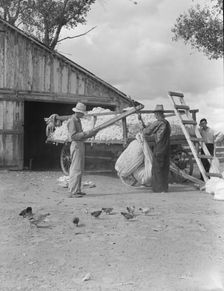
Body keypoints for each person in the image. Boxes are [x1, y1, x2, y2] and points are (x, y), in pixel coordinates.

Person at [67, 102, 96, 198]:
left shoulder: (78, 120)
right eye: (82, 113)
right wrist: (84, 133)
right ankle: (73, 192)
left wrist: (90, 134)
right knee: (75, 169)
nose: (83, 115)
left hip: (80, 144)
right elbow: (73, 136)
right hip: (76, 145)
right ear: (78, 112)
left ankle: (77, 190)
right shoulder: (73, 120)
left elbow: (80, 135)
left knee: (79, 169)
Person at [142, 104, 171, 193]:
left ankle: (158, 189)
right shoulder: (167, 123)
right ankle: (164, 188)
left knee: (157, 168)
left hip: (160, 147)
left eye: (155, 113)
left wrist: (143, 129)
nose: (155, 115)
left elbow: (147, 132)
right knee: (164, 168)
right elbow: (154, 130)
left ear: (158, 114)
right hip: (167, 147)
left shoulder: (158, 122)